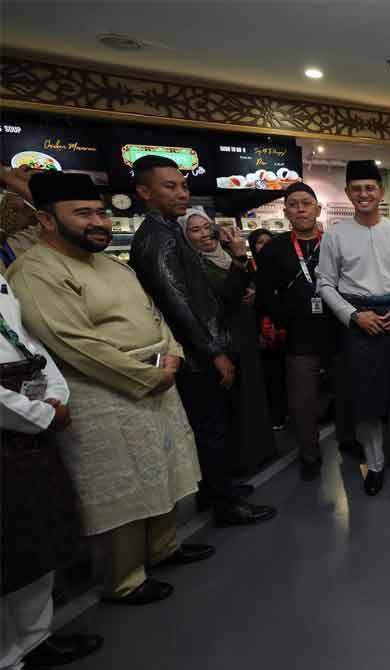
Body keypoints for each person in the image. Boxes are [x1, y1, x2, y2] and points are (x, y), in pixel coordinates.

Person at [9, 172, 213, 606]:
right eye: (83, 213)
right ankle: (124, 578)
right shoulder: (35, 271)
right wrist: (148, 376)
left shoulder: (110, 264)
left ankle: (163, 548)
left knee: (163, 470)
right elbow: (72, 342)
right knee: (119, 490)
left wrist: (171, 353)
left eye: (100, 211)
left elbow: (155, 313)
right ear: (46, 220)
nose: (98, 221)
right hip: (103, 392)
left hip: (159, 376)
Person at [128, 155, 276, 524]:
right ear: (144, 192)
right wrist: (214, 352)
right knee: (210, 428)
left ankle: (217, 490)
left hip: (206, 347)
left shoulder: (169, 232)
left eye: (183, 185)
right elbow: (179, 304)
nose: (182, 193)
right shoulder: (157, 240)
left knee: (216, 425)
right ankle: (226, 506)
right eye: (170, 186)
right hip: (196, 355)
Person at [0, 274, 103, 669]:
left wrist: (55, 396)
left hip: (33, 421)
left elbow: (27, 340)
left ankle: (35, 638)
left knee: (34, 536)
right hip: (17, 417)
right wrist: (40, 414)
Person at [317, 160, 390, 495]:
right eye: (357, 189)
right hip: (359, 322)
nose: (364, 194)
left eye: (370, 188)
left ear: (381, 191)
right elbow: (325, 284)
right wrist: (353, 315)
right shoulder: (335, 235)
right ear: (348, 193)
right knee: (367, 400)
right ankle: (375, 465)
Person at [255, 182, 349, 481]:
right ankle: (309, 455)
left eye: (306, 203)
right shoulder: (273, 249)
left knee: (346, 393)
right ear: (285, 211)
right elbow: (265, 292)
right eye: (293, 204)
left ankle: (349, 440)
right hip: (297, 335)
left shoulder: (335, 242)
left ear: (318, 209)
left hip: (337, 331)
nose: (300, 209)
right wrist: (271, 323)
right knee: (302, 400)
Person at [182, 209, 276, 477]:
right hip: (224, 338)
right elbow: (226, 295)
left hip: (245, 333)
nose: (204, 234)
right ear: (184, 236)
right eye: (195, 230)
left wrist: (253, 290)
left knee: (255, 392)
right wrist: (238, 258)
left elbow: (246, 285)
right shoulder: (193, 265)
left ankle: (262, 450)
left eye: (206, 227)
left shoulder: (220, 257)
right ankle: (243, 462)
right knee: (237, 401)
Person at [248, 228, 288, 431]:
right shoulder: (246, 268)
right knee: (270, 375)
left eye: (268, 241)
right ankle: (276, 415)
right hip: (261, 330)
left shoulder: (280, 266)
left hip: (282, 328)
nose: (265, 246)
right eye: (259, 242)